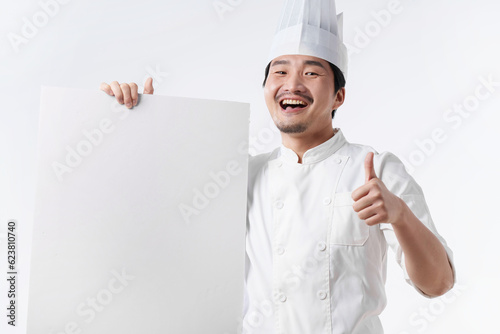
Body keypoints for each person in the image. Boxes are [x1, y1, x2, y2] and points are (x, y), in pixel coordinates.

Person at [99, 0, 455, 333]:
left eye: (312, 73)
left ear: (339, 96)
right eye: (280, 71)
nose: (293, 84)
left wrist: (400, 215)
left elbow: (438, 284)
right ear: (267, 89)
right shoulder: (240, 176)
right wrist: (139, 125)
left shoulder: (376, 168)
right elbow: (155, 234)